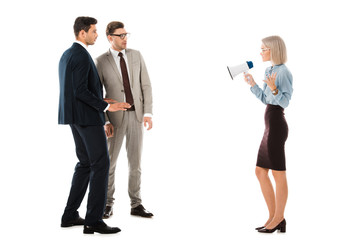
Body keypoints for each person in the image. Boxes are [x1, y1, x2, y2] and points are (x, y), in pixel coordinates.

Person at [58, 16, 130, 234]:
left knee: (86, 163)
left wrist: (101, 100)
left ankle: (70, 215)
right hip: (87, 118)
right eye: (94, 31)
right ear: (82, 33)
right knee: (101, 163)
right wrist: (106, 107)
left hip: (75, 116)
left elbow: (76, 89)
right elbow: (80, 91)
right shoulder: (80, 55)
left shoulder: (68, 54)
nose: (97, 34)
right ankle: (93, 221)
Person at [95, 21, 154, 218]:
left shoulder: (136, 55)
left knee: (135, 163)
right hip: (114, 120)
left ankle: (136, 204)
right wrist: (105, 121)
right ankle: (106, 203)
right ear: (110, 37)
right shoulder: (100, 61)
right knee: (110, 164)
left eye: (126, 34)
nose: (125, 38)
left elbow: (145, 85)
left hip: (136, 116)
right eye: (120, 35)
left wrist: (148, 113)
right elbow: (97, 94)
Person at [244, 36, 293, 233]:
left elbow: (285, 102)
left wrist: (274, 88)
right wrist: (254, 85)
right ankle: (273, 217)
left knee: (277, 172)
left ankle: (279, 218)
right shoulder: (269, 70)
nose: (261, 52)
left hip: (277, 124)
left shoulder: (284, 72)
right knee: (260, 171)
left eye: (264, 49)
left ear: (273, 50)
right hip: (269, 125)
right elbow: (266, 99)